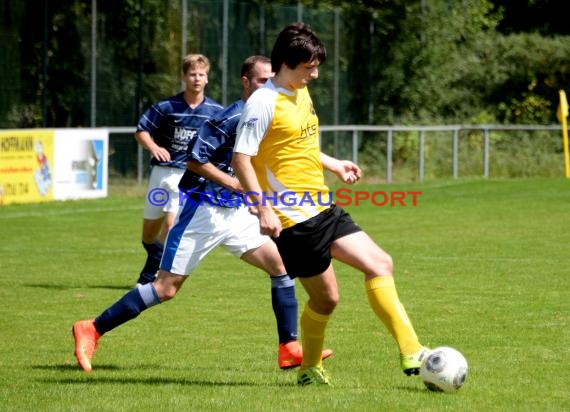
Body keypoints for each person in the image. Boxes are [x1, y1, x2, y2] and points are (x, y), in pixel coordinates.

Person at [72, 55, 332, 373]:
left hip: (235, 214)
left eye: (271, 79)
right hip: (202, 212)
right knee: (165, 288)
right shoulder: (231, 116)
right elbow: (195, 161)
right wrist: (237, 185)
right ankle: (93, 328)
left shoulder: (265, 114)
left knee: (280, 266)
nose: (268, 85)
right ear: (246, 81)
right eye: (262, 80)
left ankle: (288, 347)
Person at [232, 22, 429, 386]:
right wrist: (262, 209)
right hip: (294, 222)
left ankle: (411, 349)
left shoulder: (300, 93)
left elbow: (297, 147)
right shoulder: (263, 103)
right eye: (310, 67)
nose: (316, 73)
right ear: (288, 64)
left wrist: (333, 163)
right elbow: (241, 159)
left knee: (380, 263)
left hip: (323, 206)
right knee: (327, 301)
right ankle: (308, 368)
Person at [134, 53, 223, 285]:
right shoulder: (166, 107)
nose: (196, 78)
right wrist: (153, 146)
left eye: (201, 74)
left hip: (187, 175)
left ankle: (147, 278)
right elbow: (141, 130)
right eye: (192, 74)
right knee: (148, 235)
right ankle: (153, 261)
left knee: (172, 225)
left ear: (207, 79)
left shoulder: (215, 111)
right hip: (161, 174)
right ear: (184, 76)